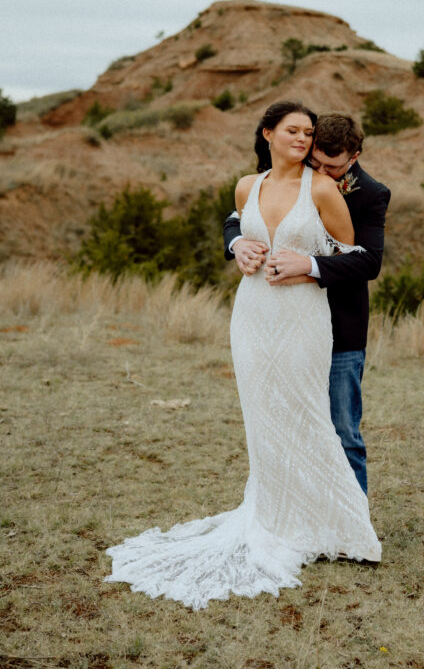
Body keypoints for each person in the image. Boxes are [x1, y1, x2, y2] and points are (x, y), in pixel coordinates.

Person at [106, 101, 381, 609]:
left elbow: (360, 257)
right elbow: (237, 227)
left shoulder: (321, 188)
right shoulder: (245, 186)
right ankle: (274, 517)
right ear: (268, 133)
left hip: (303, 318)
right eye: (293, 131)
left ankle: (336, 523)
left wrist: (307, 265)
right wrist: (239, 249)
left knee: (308, 416)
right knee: (264, 418)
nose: (302, 139)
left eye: (308, 133)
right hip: (252, 315)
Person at [223, 113, 391, 495]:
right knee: (287, 419)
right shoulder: (291, 176)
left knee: (342, 427)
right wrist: (237, 244)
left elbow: (369, 261)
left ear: (354, 157)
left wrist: (310, 266)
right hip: (282, 321)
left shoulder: (371, 193)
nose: (322, 173)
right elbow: (238, 216)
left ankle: (354, 523)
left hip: (340, 327)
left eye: (332, 167)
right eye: (316, 162)